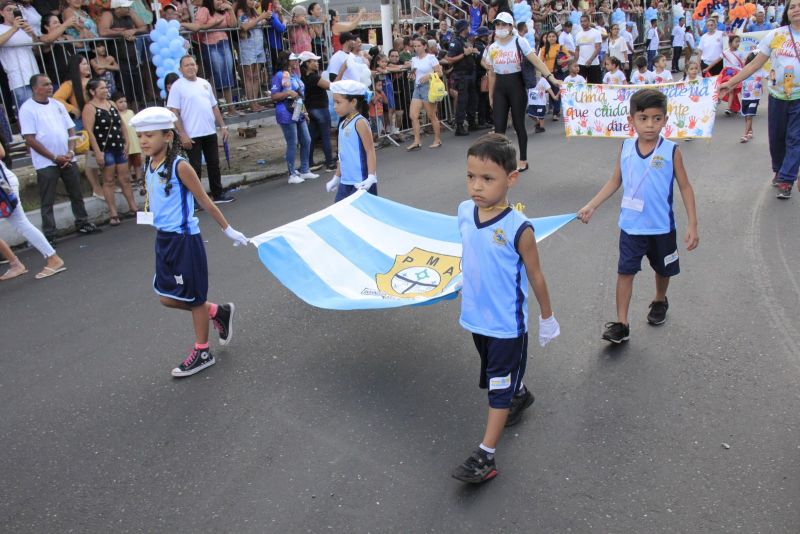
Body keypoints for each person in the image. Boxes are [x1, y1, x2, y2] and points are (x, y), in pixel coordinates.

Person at [451, 133, 559, 484]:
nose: (476, 187)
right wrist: (461, 281)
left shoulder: (519, 228)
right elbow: (469, 250)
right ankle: (520, 392)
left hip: (506, 328)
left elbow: (536, 275)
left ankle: (486, 455)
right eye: (471, 177)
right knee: (499, 377)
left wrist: (547, 317)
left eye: (487, 179)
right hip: (476, 320)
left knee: (497, 387)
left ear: (511, 179)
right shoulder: (465, 212)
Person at [128, 107, 246, 378]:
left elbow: (204, 201)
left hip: (184, 240)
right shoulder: (150, 162)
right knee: (166, 297)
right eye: (140, 136)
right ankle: (218, 311)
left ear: (168, 136)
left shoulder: (180, 165)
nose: (143, 141)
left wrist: (228, 230)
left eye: (149, 135)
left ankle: (202, 352)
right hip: (164, 239)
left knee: (194, 298)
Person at [577, 89, 699, 343]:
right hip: (631, 227)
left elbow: (685, 187)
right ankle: (622, 323)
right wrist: (592, 205)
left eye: (657, 118)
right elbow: (615, 181)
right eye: (643, 118)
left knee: (663, 270)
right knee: (625, 272)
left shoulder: (671, 151)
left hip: (661, 227)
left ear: (666, 120)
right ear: (631, 120)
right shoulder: (625, 147)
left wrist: (692, 224)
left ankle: (658, 300)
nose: (650, 125)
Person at [720, 0, 800, 199]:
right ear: (787, 13)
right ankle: (779, 170)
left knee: (795, 140)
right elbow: (753, 65)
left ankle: (787, 180)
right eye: (792, 6)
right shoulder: (776, 35)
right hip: (777, 97)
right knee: (777, 139)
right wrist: (730, 83)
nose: (796, 9)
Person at [19, 74, 101, 242]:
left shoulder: (57, 105)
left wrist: (70, 152)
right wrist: (54, 157)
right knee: (47, 199)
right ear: (35, 88)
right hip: (46, 162)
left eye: (50, 84)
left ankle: (82, 222)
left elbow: (71, 130)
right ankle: (49, 233)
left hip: (66, 158)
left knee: (76, 193)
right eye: (45, 84)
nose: (50, 87)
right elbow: (30, 139)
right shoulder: (27, 109)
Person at [483, 12, 560, 172]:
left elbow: (537, 61)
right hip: (500, 88)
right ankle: (502, 162)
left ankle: (523, 159)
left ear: (511, 27)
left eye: (504, 25)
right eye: (498, 25)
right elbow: (491, 73)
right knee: (499, 128)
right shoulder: (493, 48)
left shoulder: (520, 41)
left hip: (516, 85)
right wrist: (491, 93)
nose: (500, 28)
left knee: (519, 125)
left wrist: (551, 79)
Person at [167, 55, 235, 202]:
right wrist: (182, 133)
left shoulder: (205, 83)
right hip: (192, 134)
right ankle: (195, 199)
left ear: (197, 66)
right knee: (194, 169)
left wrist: (222, 126)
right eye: (187, 65)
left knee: (214, 164)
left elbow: (214, 106)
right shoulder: (177, 86)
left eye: (192, 64)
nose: (190, 67)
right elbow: (174, 111)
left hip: (209, 131)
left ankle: (217, 194)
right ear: (180, 69)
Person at [0, 139, 66, 280]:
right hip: (4, 183)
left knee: (21, 224)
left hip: (3, 185)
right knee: (21, 223)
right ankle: (16, 264)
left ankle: (52, 259)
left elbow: (1, 152)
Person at [83, 78, 137, 225]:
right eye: (101, 88)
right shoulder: (90, 108)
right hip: (104, 149)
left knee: (125, 178)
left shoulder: (112, 104)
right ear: (92, 91)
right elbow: (90, 131)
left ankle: (133, 207)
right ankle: (113, 212)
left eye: (106, 88)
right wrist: (97, 151)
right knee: (109, 180)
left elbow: (122, 125)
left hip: (118, 146)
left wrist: (127, 142)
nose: (105, 90)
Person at [324, 80, 376, 202]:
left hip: (361, 181)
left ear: (353, 102)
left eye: (338, 102)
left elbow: (370, 151)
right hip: (345, 181)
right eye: (334, 102)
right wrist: (336, 177)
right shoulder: (342, 124)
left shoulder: (360, 122)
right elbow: (342, 155)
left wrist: (371, 177)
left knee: (364, 218)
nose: (334, 106)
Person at [270, 51, 318, 184]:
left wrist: (305, 112)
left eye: (296, 60)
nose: (296, 62)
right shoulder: (280, 75)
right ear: (286, 61)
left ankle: (305, 169)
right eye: (293, 60)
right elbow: (274, 96)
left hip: (297, 109)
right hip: (285, 110)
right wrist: (287, 93)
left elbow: (299, 95)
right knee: (292, 142)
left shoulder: (295, 75)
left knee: (306, 140)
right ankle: (291, 174)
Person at [181, 0, 236, 114]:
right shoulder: (204, 10)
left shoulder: (223, 11)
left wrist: (230, 10)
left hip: (224, 43)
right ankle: (215, 109)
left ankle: (231, 108)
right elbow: (198, 27)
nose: (220, 1)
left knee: (228, 75)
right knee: (215, 76)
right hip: (210, 45)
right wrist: (213, 24)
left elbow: (233, 25)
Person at [97, 0, 148, 108]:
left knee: (138, 89)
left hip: (132, 57)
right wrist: (121, 33)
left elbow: (144, 27)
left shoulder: (130, 12)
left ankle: (137, 110)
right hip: (118, 58)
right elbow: (103, 31)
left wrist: (133, 31)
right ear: (118, 8)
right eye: (126, 7)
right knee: (124, 90)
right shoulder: (108, 14)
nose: (128, 9)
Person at [405, 37, 443, 151]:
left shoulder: (431, 58)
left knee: (431, 115)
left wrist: (429, 76)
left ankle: (437, 139)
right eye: (415, 46)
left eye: (418, 46)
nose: (416, 48)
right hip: (417, 87)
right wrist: (411, 76)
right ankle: (417, 141)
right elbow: (415, 74)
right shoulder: (414, 59)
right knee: (413, 115)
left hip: (429, 87)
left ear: (425, 46)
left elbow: (440, 72)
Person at [0, 0, 40, 110]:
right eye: (9, 10)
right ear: (1, 13)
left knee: (40, 108)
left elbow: (37, 50)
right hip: (18, 79)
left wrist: (32, 33)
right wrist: (14, 28)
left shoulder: (23, 28)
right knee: (26, 110)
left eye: (15, 10)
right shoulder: (1, 28)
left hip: (35, 75)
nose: (12, 12)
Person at [300, 50, 335, 172]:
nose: (317, 63)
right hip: (320, 108)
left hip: (310, 109)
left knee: (311, 137)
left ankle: (309, 163)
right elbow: (330, 86)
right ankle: (330, 163)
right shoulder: (314, 78)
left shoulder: (302, 78)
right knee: (325, 135)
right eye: (313, 61)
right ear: (307, 64)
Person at [442, 19, 478, 136]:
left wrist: (472, 51)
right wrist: (464, 54)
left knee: (472, 100)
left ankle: (472, 122)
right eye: (468, 27)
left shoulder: (464, 41)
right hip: (462, 75)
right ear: (463, 29)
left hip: (470, 74)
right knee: (462, 101)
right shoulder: (455, 42)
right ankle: (459, 126)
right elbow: (449, 58)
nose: (469, 29)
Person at [235, 0, 269, 112]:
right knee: (249, 76)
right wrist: (260, 18)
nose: (252, 1)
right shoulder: (241, 11)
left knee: (256, 75)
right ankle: (251, 103)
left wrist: (262, 17)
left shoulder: (253, 11)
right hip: (247, 47)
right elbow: (245, 27)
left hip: (259, 46)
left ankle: (255, 101)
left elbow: (263, 21)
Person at [539, 30, 571, 120]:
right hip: (548, 73)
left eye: (553, 36)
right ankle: (554, 108)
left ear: (556, 38)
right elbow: (540, 61)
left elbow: (569, 57)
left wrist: (562, 61)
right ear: (547, 38)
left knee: (557, 90)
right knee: (550, 92)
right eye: (549, 37)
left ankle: (556, 112)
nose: (551, 38)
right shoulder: (544, 49)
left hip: (559, 71)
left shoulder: (560, 47)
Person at [113, 90, 143, 186]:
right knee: (127, 163)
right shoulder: (116, 115)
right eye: (120, 102)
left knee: (137, 161)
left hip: (134, 141)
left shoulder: (130, 112)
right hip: (125, 142)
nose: (123, 104)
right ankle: (129, 178)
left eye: (125, 101)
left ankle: (139, 177)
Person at [720, 35, 746, 115]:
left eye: (739, 41)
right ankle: (732, 107)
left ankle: (729, 108)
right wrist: (708, 68)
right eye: (736, 41)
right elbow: (717, 60)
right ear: (730, 43)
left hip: (737, 74)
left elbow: (743, 63)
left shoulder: (740, 53)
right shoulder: (725, 52)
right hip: (727, 73)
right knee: (728, 89)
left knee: (731, 90)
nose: (738, 43)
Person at [575, 14, 602, 83]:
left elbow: (598, 48)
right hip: (581, 64)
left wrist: (590, 60)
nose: (583, 23)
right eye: (581, 21)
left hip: (593, 64)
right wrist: (575, 62)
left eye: (584, 21)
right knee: (581, 86)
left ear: (589, 22)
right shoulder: (578, 34)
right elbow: (577, 50)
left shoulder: (596, 32)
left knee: (595, 86)